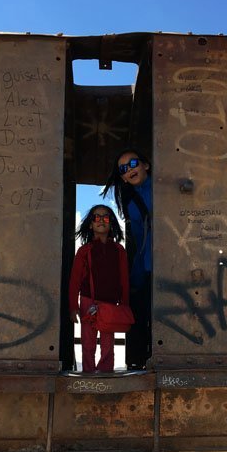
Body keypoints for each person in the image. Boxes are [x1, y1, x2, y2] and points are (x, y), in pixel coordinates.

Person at [101, 149, 152, 370]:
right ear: (122, 177)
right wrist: (134, 278)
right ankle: (136, 363)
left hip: (171, 263)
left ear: (145, 165)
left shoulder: (164, 190)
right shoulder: (131, 204)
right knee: (141, 317)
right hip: (148, 267)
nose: (129, 169)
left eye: (132, 163)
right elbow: (138, 241)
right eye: (124, 168)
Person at [68, 205, 130, 373]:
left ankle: (106, 375)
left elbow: (124, 280)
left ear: (111, 224)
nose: (101, 220)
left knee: (108, 345)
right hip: (88, 303)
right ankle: (88, 374)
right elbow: (74, 282)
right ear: (90, 224)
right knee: (87, 343)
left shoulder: (119, 251)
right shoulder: (84, 251)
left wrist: (124, 304)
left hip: (110, 305)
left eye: (106, 217)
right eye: (97, 217)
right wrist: (73, 307)